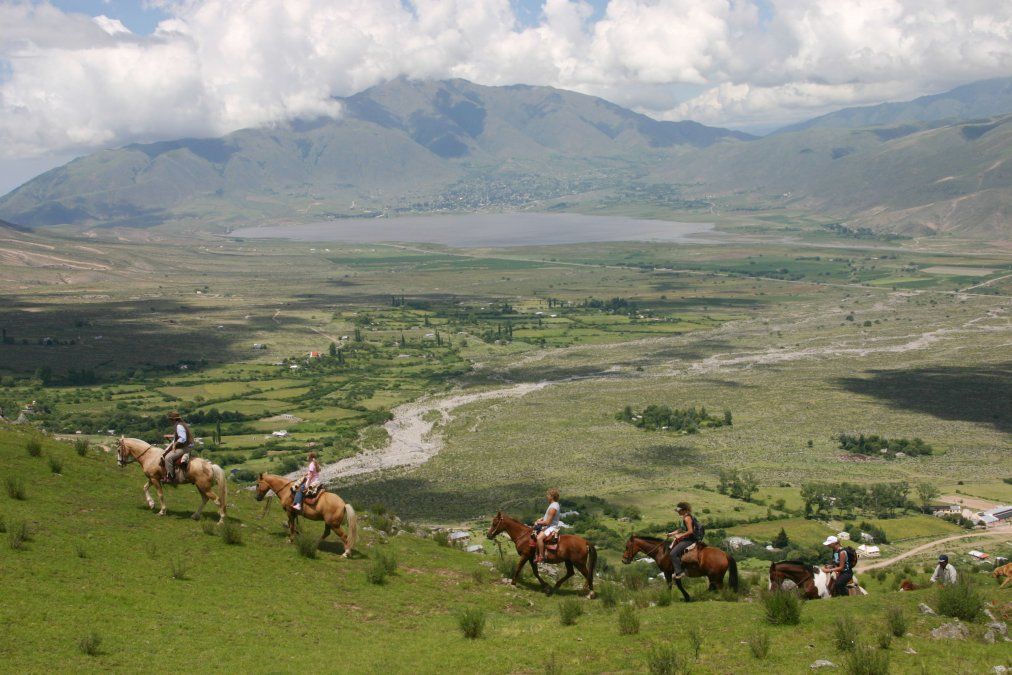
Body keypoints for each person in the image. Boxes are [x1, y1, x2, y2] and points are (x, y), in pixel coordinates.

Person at [668, 502, 702, 579]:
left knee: (672, 554)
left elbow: (690, 531)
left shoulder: (687, 518)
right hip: (688, 538)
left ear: (684, 510)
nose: (678, 512)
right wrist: (671, 534)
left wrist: (680, 536)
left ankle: (679, 572)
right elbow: (681, 529)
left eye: (679, 510)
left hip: (690, 539)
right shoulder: (685, 517)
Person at [161, 411, 193, 483]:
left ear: (173, 419)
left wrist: (175, 444)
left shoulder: (179, 426)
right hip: (187, 445)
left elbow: (183, 438)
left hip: (185, 447)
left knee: (168, 457)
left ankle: (171, 477)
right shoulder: (180, 424)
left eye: (170, 419)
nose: (170, 421)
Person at [534, 488, 561, 563]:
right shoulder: (554, 505)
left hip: (552, 527)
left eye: (548, 495)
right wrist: (542, 519)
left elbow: (548, 522)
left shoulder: (553, 507)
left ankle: (542, 557)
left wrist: (538, 522)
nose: (546, 497)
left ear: (552, 496)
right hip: (550, 526)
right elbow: (548, 517)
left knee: (539, 538)